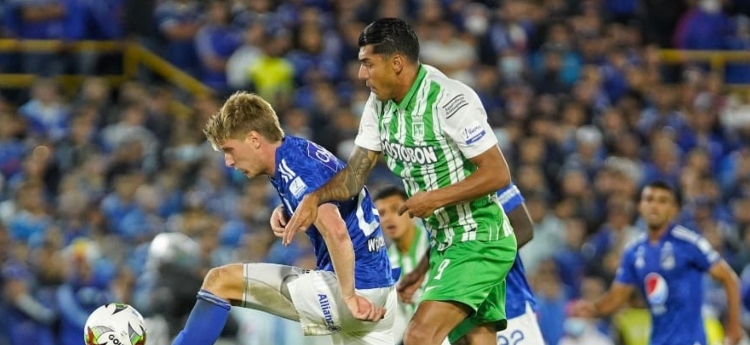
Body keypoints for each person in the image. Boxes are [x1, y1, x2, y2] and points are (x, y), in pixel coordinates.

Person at [285, 18, 517, 345]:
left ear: (396, 63)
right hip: (445, 243)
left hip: (479, 237)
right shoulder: (378, 106)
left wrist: (435, 198)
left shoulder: (448, 99)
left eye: (368, 64)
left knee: (419, 336)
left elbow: (497, 173)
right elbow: (352, 179)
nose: (360, 75)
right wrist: (309, 199)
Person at [171, 91, 398, 345]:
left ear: (254, 139)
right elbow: (331, 198)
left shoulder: (295, 170)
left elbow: (336, 231)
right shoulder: (298, 150)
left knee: (220, 281)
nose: (228, 161)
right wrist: (289, 209)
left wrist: (349, 296)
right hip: (380, 286)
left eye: (229, 149)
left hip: (354, 288)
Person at [572, 181, 744, 345]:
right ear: (640, 206)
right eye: (649, 199)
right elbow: (618, 296)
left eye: (662, 201)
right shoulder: (633, 251)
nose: (654, 206)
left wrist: (733, 326)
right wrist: (593, 308)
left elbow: (729, 279)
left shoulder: (689, 243)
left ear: (674, 209)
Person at [398, 182, 544, 345]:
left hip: (511, 304)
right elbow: (448, 243)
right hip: (461, 308)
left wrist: (479, 259)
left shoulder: (482, 175)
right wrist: (420, 271)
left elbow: (524, 228)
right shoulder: (429, 188)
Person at [371, 186, 439, 345]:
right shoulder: (385, 265)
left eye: (395, 209)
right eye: (381, 213)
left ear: (411, 212)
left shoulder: (435, 243)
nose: (388, 218)